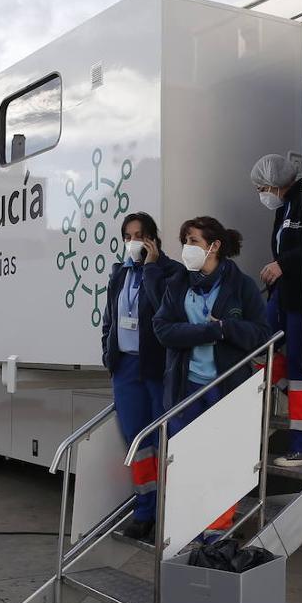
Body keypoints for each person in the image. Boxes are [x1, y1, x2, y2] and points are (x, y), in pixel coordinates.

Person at [153, 216, 271, 542]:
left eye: (193, 241)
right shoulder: (178, 284)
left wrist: (227, 328)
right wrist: (210, 330)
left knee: (221, 462)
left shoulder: (241, 285)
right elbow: (162, 329)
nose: (187, 249)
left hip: (226, 387)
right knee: (185, 462)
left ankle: (217, 531)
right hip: (185, 387)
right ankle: (187, 526)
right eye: (185, 242)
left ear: (214, 246)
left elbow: (262, 334)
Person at [101, 212, 182, 543]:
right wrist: (109, 353)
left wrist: (150, 267)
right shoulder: (120, 273)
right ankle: (145, 510)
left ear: (152, 239)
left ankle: (173, 510)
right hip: (126, 368)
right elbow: (110, 316)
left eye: (139, 235)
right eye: (127, 235)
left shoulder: (171, 272)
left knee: (166, 438)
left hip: (156, 366)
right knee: (138, 442)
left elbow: (165, 306)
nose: (132, 241)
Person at [251, 154, 302, 468]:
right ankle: (295, 391)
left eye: (263, 186)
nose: (261, 193)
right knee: (255, 347)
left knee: (299, 371)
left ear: (279, 183)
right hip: (283, 292)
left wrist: (283, 264)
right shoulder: (285, 207)